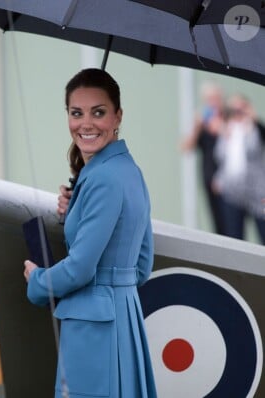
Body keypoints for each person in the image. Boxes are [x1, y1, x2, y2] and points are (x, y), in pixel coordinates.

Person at [24, 68, 157, 398]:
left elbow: (81, 268)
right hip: (124, 321)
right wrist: (77, 211)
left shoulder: (102, 178)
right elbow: (141, 266)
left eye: (98, 112)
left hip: (93, 329)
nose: (86, 124)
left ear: (117, 116)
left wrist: (39, 281)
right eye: (76, 113)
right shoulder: (129, 171)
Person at [212, 94, 265, 243]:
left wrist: (253, 119)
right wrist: (219, 179)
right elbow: (223, 159)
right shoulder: (227, 130)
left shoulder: (255, 128)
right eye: (233, 110)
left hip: (258, 192)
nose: (237, 113)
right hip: (232, 191)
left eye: (241, 109)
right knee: (234, 238)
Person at [181, 81, 226, 235]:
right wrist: (197, 126)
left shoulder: (228, 120)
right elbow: (186, 147)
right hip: (209, 177)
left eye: (215, 99)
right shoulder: (203, 125)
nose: (213, 103)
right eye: (209, 99)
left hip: (230, 181)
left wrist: (221, 128)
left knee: (232, 224)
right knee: (217, 222)